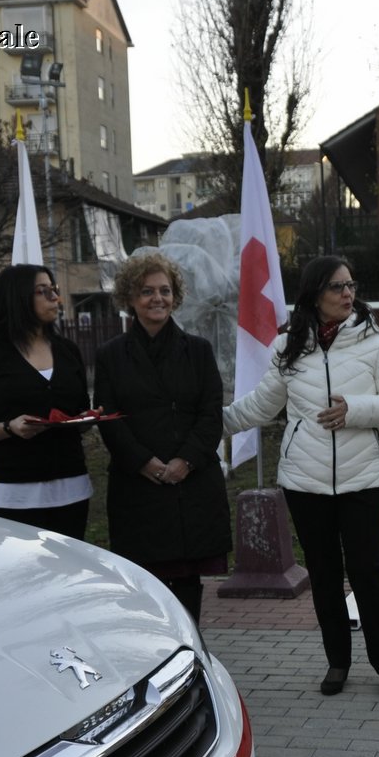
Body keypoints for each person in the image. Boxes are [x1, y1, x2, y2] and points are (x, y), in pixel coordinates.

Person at [223, 255, 379, 701]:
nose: (348, 294)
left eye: (351, 285)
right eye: (337, 287)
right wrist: (210, 424)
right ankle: (337, 663)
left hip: (365, 479)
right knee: (325, 575)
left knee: (367, 572)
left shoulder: (375, 342)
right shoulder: (288, 347)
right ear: (314, 295)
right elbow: (261, 406)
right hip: (305, 483)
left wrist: (356, 409)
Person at [95, 251, 232, 622]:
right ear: (130, 298)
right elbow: (107, 417)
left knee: (188, 581)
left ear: (176, 296)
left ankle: (191, 653)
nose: (158, 298)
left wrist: (184, 461)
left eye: (165, 290)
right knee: (146, 582)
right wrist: (145, 463)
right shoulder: (110, 355)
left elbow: (210, 412)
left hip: (191, 483)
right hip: (138, 486)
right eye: (147, 291)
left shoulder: (198, 351)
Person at [0, 263, 92, 539]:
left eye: (54, 290)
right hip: (16, 492)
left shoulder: (67, 350)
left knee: (71, 575)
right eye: (43, 292)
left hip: (72, 486)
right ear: (17, 297)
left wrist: (88, 417)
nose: (55, 298)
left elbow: (81, 407)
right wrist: (10, 427)